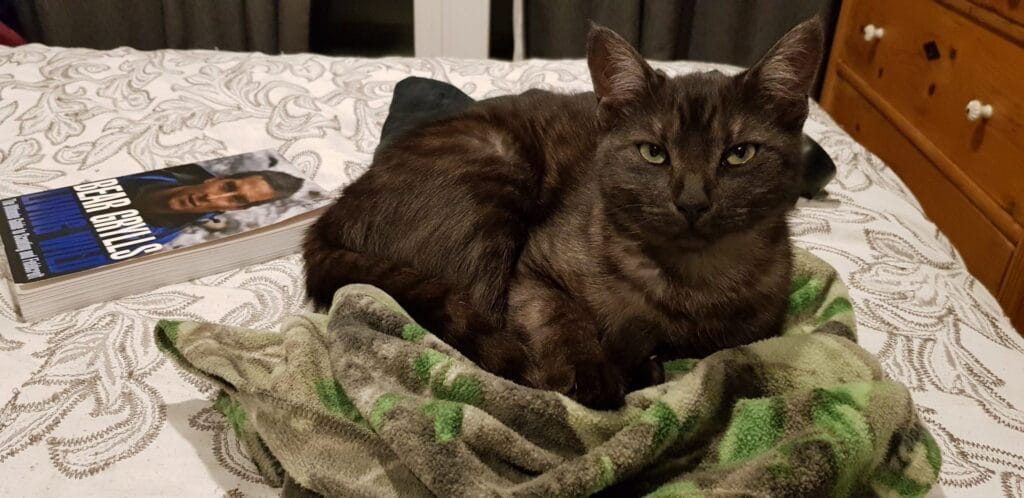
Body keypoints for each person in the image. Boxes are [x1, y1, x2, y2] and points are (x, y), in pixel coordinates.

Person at [119, 163, 304, 229]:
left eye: (236, 199)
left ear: (236, 209)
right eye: (227, 186)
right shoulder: (156, 166)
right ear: (215, 179)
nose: (211, 198)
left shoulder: (154, 240)